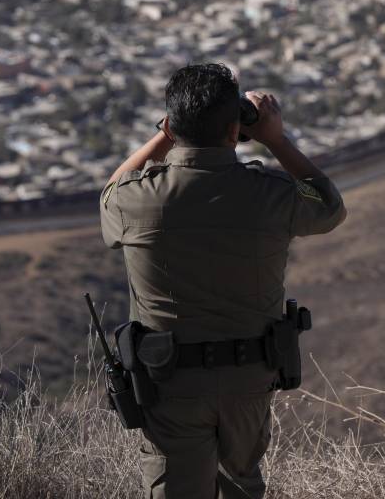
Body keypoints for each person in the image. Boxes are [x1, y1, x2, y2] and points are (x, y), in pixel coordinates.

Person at [99, 63, 347, 498]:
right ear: (235, 131)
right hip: (248, 379)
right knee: (241, 486)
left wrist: (166, 134)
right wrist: (274, 138)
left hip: (170, 383)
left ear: (173, 125)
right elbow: (329, 206)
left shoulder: (136, 202)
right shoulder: (270, 194)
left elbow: (110, 190)